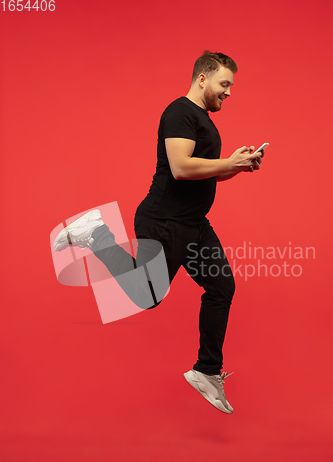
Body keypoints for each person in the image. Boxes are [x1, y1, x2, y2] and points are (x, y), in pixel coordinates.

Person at [53, 50, 264, 414]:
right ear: (203, 78)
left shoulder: (203, 119)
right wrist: (228, 161)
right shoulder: (180, 112)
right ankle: (96, 232)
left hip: (194, 224)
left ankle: (207, 371)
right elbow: (181, 168)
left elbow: (205, 170)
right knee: (145, 297)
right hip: (165, 221)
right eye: (224, 84)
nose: (228, 92)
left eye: (231, 86)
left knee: (221, 286)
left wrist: (237, 166)